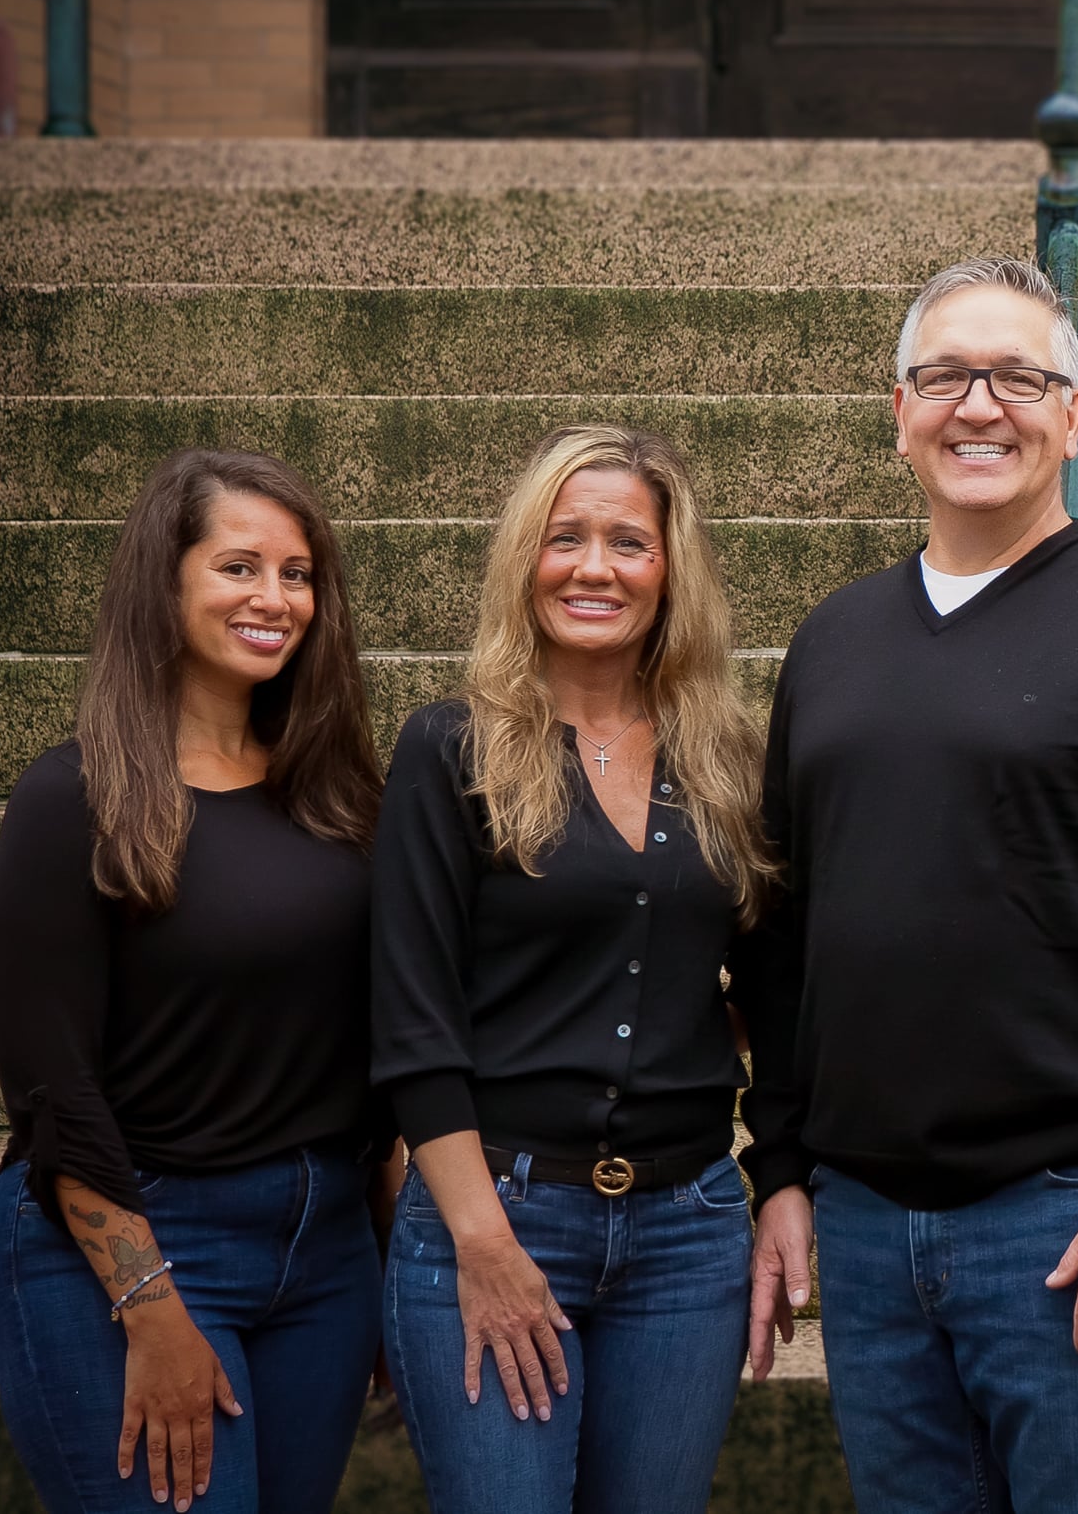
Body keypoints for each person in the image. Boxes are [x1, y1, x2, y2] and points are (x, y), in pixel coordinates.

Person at [738, 256, 1078, 1513]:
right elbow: (779, 928)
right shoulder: (833, 643)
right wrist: (779, 1166)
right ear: (898, 408)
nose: (978, 405)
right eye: (944, 376)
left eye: (1019, 377)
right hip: (869, 1234)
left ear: (1074, 414)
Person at [372, 425, 784, 1511]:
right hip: (498, 1208)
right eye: (565, 538)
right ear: (526, 559)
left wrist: (779, 1172)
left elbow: (777, 986)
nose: (594, 566)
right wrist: (482, 1240)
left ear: (670, 570)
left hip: (688, 1230)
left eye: (627, 542)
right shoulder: (450, 748)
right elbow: (411, 1015)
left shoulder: (732, 760)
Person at [0, 449, 387, 1514]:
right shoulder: (75, 798)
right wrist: (151, 1308)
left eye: (298, 573)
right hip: (132, 1244)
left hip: (325, 1250)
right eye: (239, 565)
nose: (276, 598)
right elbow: (52, 1087)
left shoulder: (339, 795)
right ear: (166, 579)